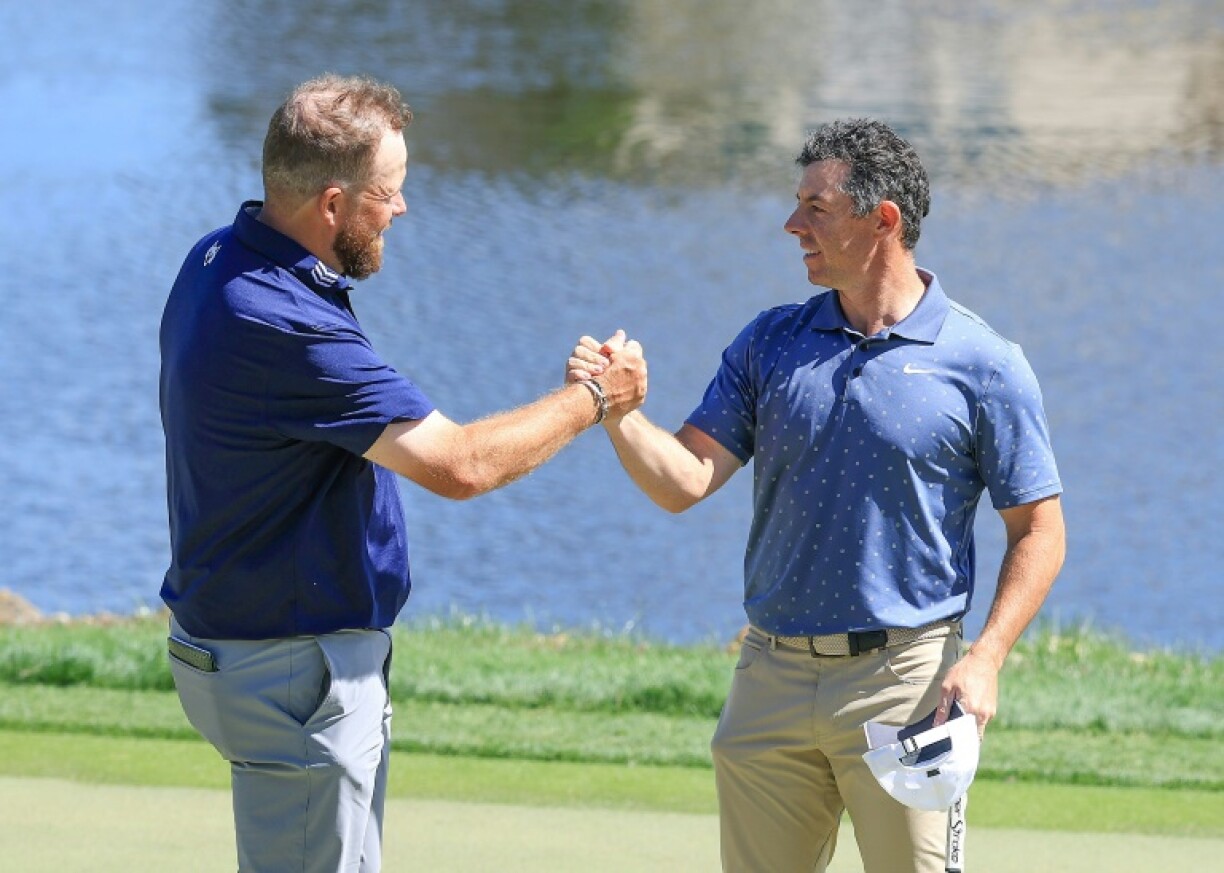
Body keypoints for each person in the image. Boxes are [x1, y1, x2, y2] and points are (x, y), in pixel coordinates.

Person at [158, 73, 646, 873]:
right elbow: (459, 464)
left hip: (238, 648)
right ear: (332, 204)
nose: (403, 209)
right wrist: (594, 397)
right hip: (292, 669)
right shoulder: (285, 321)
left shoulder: (216, 257)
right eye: (391, 193)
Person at [568, 118, 1065, 872]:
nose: (792, 223)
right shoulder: (772, 340)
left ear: (883, 220)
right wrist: (615, 410)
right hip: (769, 677)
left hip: (906, 685)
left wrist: (988, 656)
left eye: (816, 208)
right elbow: (686, 481)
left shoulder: (984, 363)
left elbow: (1039, 529)